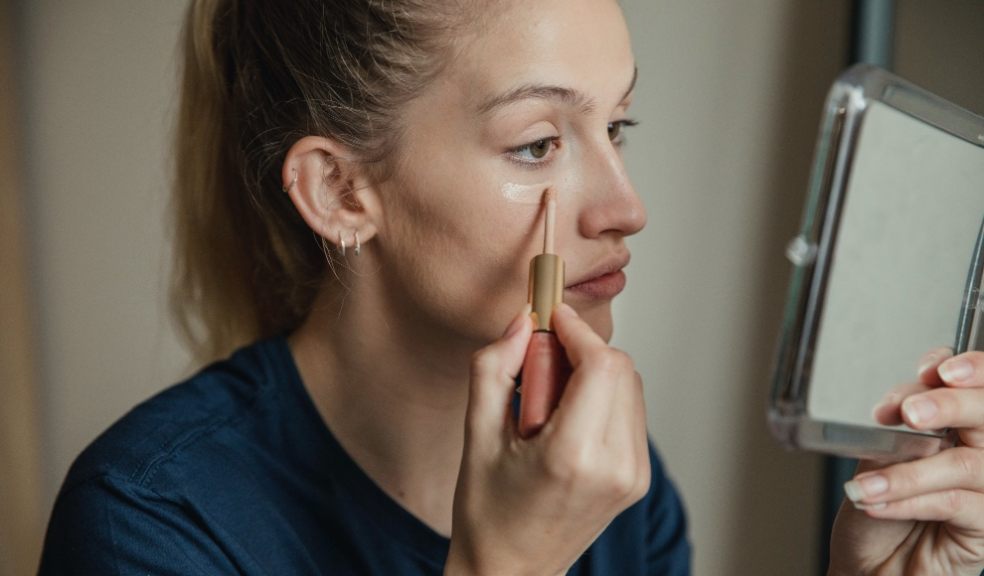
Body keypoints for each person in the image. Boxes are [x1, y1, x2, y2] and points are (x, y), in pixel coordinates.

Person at [37, 0, 984, 574]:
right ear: (340, 191)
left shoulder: (619, 485)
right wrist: (509, 566)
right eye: (538, 143)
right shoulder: (152, 522)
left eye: (617, 128)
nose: (626, 208)